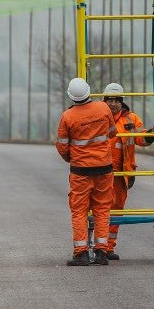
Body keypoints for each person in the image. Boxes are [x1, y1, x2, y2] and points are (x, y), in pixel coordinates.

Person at [55, 77, 116, 266]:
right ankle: (101, 252)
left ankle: (81, 253)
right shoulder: (104, 109)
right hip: (104, 168)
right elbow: (112, 132)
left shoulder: (68, 117)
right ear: (89, 91)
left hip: (81, 171)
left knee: (79, 211)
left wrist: (72, 159)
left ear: (71, 96)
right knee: (102, 209)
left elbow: (62, 146)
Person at [102, 82, 154, 260]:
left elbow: (141, 137)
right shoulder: (99, 116)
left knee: (116, 210)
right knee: (100, 209)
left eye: (116, 100)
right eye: (109, 99)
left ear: (121, 101)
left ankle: (108, 248)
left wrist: (150, 134)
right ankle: (98, 246)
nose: (113, 103)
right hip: (100, 171)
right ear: (104, 100)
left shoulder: (130, 119)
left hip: (122, 173)